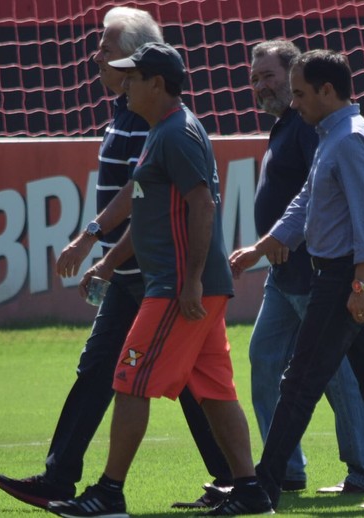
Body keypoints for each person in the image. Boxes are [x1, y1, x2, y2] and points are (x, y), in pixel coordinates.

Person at [0, 7, 232, 512]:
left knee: (152, 375)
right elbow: (142, 193)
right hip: (132, 271)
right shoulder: (133, 114)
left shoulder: (163, 123)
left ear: (143, 69)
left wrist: (107, 245)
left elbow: (166, 200)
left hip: (156, 274)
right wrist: (98, 246)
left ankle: (129, 489)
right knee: (112, 369)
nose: (97, 53)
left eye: (107, 45)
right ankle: (64, 478)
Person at [46, 42, 272, 517]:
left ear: (158, 84)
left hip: (177, 289)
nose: (124, 84)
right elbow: (148, 208)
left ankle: (109, 493)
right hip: (188, 286)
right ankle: (250, 491)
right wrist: (105, 259)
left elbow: (203, 205)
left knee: (129, 380)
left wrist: (189, 280)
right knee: (214, 391)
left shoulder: (175, 133)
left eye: (134, 76)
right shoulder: (162, 131)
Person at [230, 49, 364, 510]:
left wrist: (359, 286)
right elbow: (305, 203)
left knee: (300, 381)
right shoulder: (330, 136)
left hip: (345, 278)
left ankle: (262, 487)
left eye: (300, 93)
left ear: (327, 90)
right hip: (343, 277)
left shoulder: (350, 140)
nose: (294, 102)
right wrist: (263, 247)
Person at [242, 38, 364, 495]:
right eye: (254, 78)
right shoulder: (292, 124)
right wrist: (267, 245)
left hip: (314, 271)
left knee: (338, 374)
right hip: (283, 273)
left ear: (296, 80)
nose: (260, 85)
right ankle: (284, 467)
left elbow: (328, 204)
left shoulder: (315, 127)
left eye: (270, 76)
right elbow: (306, 197)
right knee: (264, 359)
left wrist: (348, 277)